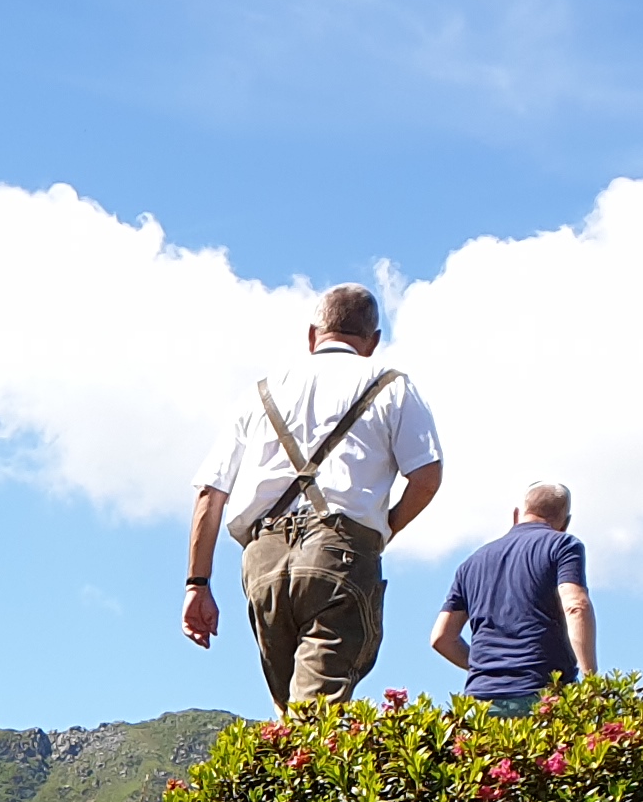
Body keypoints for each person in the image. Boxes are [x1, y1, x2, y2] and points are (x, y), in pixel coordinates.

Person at [182, 285, 445, 709]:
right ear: (372, 341)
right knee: (317, 718)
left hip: (263, 558)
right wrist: (384, 530)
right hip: (340, 553)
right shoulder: (391, 385)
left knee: (290, 711)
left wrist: (197, 584)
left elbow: (210, 494)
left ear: (312, 335)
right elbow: (427, 476)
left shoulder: (259, 393)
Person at [433, 484, 596, 712]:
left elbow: (441, 637)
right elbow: (576, 606)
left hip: (481, 703)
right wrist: (592, 682)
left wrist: (487, 670)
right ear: (565, 524)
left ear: (516, 515)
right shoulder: (563, 545)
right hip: (542, 696)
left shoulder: (472, 563)